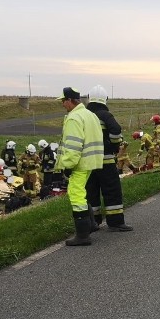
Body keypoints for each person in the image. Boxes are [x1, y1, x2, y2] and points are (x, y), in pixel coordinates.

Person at [56, 87, 104, 246]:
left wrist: (68, 165)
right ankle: (91, 225)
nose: (63, 104)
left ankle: (83, 235)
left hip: (80, 163)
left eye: (63, 101)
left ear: (70, 100)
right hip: (92, 161)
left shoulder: (74, 118)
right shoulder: (90, 115)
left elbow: (74, 145)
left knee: (76, 195)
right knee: (81, 192)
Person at [84, 85, 133, 231]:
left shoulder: (84, 115)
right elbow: (116, 130)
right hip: (105, 160)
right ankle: (115, 222)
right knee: (111, 190)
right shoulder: (105, 115)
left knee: (91, 192)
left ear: (89, 98)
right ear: (105, 99)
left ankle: (93, 222)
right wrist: (113, 145)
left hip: (88, 162)